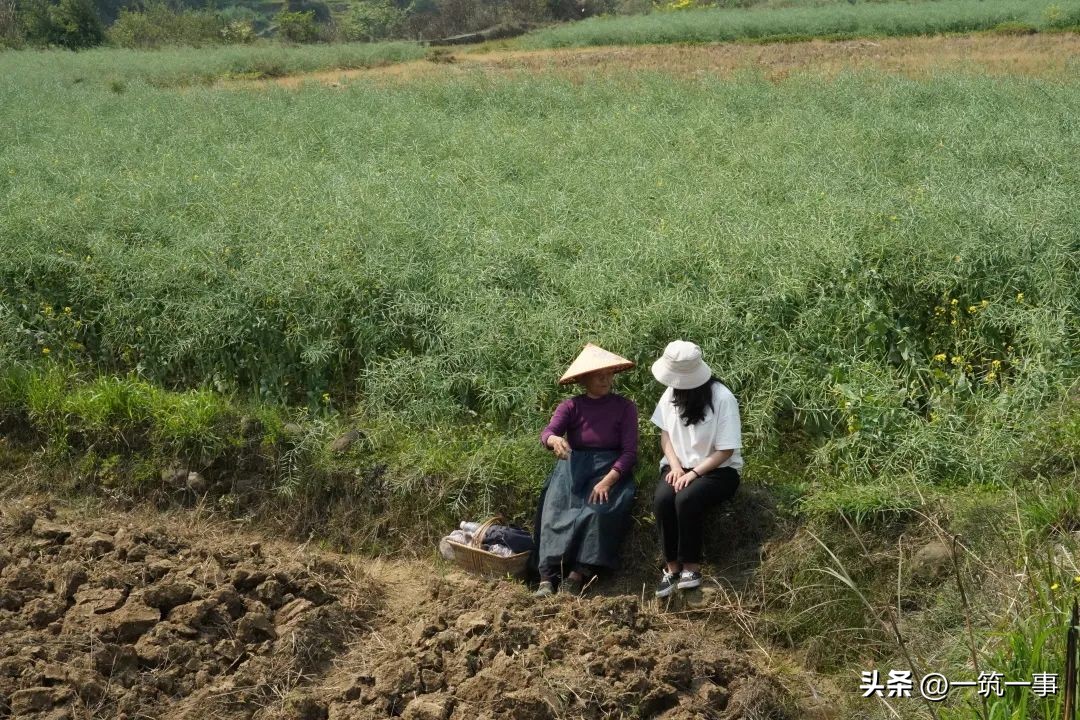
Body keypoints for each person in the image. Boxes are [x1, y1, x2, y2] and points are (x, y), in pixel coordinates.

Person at [532, 343, 639, 597]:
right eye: (598, 374)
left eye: (609, 373)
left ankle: (576, 575)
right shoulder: (570, 406)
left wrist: (608, 481)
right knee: (554, 512)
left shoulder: (625, 407)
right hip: (571, 469)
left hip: (609, 471)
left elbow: (629, 453)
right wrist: (555, 441)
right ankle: (547, 577)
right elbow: (548, 433)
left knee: (597, 513)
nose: (605, 378)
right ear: (584, 379)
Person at [649, 340, 742, 598]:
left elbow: (726, 450)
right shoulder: (670, 393)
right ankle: (671, 568)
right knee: (663, 499)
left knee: (687, 498)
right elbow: (665, 435)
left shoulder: (722, 398)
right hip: (679, 466)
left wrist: (694, 474)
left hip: (718, 470)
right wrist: (677, 466)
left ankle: (691, 566)